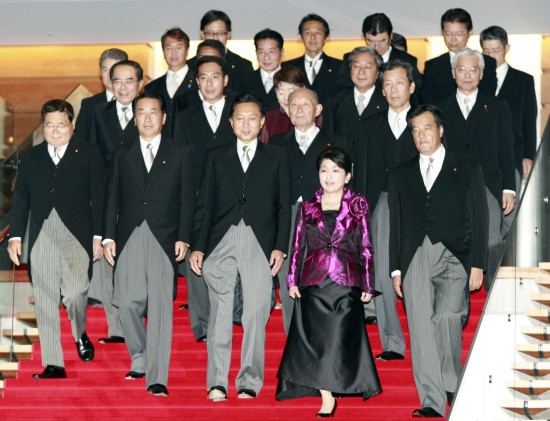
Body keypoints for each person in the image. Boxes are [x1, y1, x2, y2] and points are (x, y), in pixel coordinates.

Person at [189, 93, 291, 402]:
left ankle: (249, 379)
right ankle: (217, 381)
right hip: (221, 238)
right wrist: (198, 246)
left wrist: (279, 247)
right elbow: (204, 204)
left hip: (259, 241)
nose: (246, 124)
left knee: (256, 312)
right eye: (240, 119)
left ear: (262, 123)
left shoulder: (277, 156)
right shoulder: (215, 156)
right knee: (220, 312)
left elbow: (283, 206)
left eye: (252, 119)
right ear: (231, 122)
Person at [389, 105, 488, 418]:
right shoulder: (401, 173)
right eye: (415, 130)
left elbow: (479, 217)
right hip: (415, 255)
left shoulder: (467, 167)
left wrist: (478, 263)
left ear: (441, 130)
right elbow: (396, 224)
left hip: (455, 254)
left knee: (447, 316)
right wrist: (395, 268)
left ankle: (451, 383)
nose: (421, 135)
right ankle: (432, 401)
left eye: (427, 128)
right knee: (420, 327)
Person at [276, 147, 381, 417]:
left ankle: (335, 384)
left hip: (346, 282)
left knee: (336, 339)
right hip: (313, 282)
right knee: (317, 340)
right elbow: (297, 246)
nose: (329, 176)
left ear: (347, 176)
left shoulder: (358, 205)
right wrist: (292, 279)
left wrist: (368, 283)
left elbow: (366, 247)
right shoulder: (307, 207)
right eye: (324, 170)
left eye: (336, 170)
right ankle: (327, 397)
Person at [103, 92, 195, 397]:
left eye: (153, 112)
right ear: (134, 118)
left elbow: (187, 199)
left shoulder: (180, 152)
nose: (146, 118)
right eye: (140, 112)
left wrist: (184, 236)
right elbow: (111, 197)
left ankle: (157, 377)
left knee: (160, 308)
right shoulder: (121, 153)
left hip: (164, 236)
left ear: (163, 117)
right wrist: (108, 236)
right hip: (129, 234)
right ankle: (140, 354)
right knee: (126, 302)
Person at [7, 99, 104, 378]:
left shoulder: (89, 153)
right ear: (43, 126)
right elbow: (21, 198)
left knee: (75, 293)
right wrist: (15, 236)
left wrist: (99, 235)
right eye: (49, 125)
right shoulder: (32, 157)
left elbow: (99, 196)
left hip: (77, 233)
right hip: (43, 233)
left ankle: (79, 331)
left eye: (61, 125)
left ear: (72, 125)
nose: (55, 130)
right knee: (45, 296)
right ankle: (53, 362)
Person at [354, 59, 418, 362]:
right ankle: (392, 341)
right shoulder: (369, 125)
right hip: (380, 201)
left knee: (416, 271)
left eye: (399, 83)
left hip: (418, 202)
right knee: (381, 274)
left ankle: (422, 339)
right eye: (388, 84)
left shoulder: (425, 121)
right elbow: (362, 172)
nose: (393, 90)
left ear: (411, 87)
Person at [437, 48, 515, 289]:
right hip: (452, 186)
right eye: (462, 69)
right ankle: (458, 299)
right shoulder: (439, 108)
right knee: (457, 244)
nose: (467, 75)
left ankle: (494, 294)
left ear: (481, 74)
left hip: (488, 184)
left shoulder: (497, 106)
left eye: (473, 69)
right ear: (453, 73)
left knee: (492, 241)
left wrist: (509, 188)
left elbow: (506, 149)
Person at [270, 88, 347, 334]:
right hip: (286, 215)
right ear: (286, 110)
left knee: (321, 277)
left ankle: (321, 335)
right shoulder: (276, 142)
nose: (299, 109)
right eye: (294, 104)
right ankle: (293, 337)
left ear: (318, 110)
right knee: (288, 276)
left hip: (324, 216)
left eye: (306, 104)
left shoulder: (336, 142)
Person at [173, 55, 238, 341]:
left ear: (225, 80)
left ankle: (232, 316)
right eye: (203, 78)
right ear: (197, 82)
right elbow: (179, 162)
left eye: (215, 77)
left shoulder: (240, 112)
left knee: (232, 258)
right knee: (196, 257)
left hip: (233, 197)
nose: (209, 83)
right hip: (196, 198)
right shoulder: (185, 117)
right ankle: (202, 324)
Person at [88, 59, 144, 344]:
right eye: (117, 81)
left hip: (141, 197)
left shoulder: (150, 111)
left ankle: (137, 320)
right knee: (107, 260)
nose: (122, 87)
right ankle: (116, 328)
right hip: (107, 195)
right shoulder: (99, 113)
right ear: (109, 83)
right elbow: (91, 153)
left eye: (129, 81)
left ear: (140, 84)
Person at [480, 25, 537, 184]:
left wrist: (529, 155)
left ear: (506, 48)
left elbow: (529, 120)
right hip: (483, 157)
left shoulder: (523, 80)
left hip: (514, 154)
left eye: (496, 50)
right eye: (486, 51)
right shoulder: (476, 80)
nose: (491, 56)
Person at [324, 46, 388, 162]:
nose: (361, 72)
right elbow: (328, 139)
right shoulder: (334, 101)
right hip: (343, 166)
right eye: (356, 66)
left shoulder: (387, 102)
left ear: (377, 73)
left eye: (367, 67)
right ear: (350, 71)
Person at [421, 8, 497, 104]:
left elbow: (489, 99)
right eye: (448, 34)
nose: (453, 39)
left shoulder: (487, 62)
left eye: (458, 34)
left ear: (470, 32)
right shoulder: (433, 66)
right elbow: (428, 102)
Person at [337, 13, 421, 91]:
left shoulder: (407, 60)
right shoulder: (351, 58)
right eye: (370, 41)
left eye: (382, 41)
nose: (376, 46)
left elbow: (416, 93)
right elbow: (342, 89)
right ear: (364, 37)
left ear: (391, 36)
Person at [144, 27, 196, 137]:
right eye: (169, 48)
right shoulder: (151, 88)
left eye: (178, 47)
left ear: (187, 50)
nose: (174, 52)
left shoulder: (199, 83)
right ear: (163, 51)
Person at [282, 14, 343, 104]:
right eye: (308, 33)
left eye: (318, 33)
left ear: (326, 37)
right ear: (300, 37)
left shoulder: (340, 66)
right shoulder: (287, 67)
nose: (313, 37)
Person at [187, 9, 253, 91]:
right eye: (210, 33)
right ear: (202, 35)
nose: (215, 38)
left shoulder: (243, 66)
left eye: (220, 33)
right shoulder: (189, 66)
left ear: (228, 35)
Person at [74, 48, 128, 140]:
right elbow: (80, 141)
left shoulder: (139, 103)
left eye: (114, 69)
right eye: (105, 70)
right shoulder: (89, 105)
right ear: (100, 72)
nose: (110, 75)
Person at [240, 28, 284, 113]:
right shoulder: (244, 81)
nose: (266, 57)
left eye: (271, 52)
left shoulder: (293, 80)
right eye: (261, 52)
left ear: (282, 52)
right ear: (256, 53)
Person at [259, 66, 307, 143]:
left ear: (303, 89)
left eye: (291, 92)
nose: (286, 98)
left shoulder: (314, 115)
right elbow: (265, 146)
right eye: (281, 93)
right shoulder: (270, 117)